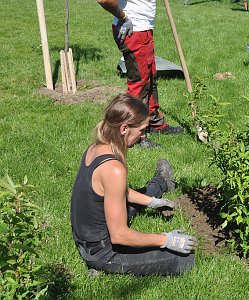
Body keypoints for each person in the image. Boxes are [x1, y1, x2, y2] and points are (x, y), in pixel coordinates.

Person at [70, 93, 196, 275]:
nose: (143, 136)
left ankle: (162, 182)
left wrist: (152, 202)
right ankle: (100, 268)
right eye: (142, 130)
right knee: (185, 259)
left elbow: (118, 191)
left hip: (86, 238)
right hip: (102, 252)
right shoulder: (114, 169)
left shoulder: (96, 148)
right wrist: (166, 240)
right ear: (124, 129)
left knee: (143, 195)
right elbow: (120, 235)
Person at [97, 0, 184, 148]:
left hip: (143, 28)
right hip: (133, 30)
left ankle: (155, 123)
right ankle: (135, 133)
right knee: (139, 82)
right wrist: (123, 17)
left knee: (150, 77)